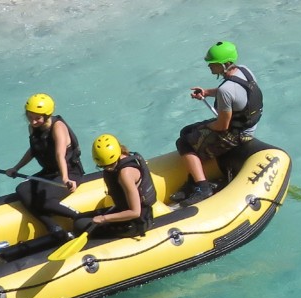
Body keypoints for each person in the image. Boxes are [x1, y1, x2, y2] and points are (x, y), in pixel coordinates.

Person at [172, 40, 263, 206]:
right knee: (187, 130)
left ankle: (202, 187)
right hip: (246, 126)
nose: (209, 67)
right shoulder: (244, 71)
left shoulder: (225, 90)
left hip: (237, 134)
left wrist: (204, 128)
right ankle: (194, 179)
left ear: (223, 64)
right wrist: (206, 92)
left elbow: (222, 126)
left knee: (184, 141)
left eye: (212, 64)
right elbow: (234, 94)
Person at [5, 93, 85, 246]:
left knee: (43, 199)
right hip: (49, 173)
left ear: (47, 115)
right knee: (22, 189)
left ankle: (79, 217)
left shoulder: (58, 127)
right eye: (30, 117)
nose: (33, 121)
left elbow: (59, 154)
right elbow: (33, 150)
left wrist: (65, 178)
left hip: (70, 173)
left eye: (37, 118)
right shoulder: (33, 128)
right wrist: (16, 168)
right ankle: (53, 226)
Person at [73, 134, 158, 238]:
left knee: (80, 225)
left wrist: (103, 218)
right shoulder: (124, 156)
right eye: (103, 166)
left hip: (136, 222)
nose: (108, 169)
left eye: (110, 165)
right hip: (123, 211)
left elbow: (135, 212)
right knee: (79, 219)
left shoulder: (125, 175)